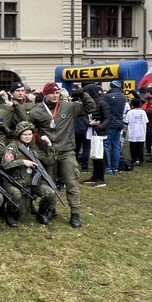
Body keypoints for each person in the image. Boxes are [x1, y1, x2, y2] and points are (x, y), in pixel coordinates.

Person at [28, 82, 96, 228]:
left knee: (71, 183)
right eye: (52, 93)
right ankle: (50, 210)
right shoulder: (36, 111)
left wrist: (83, 94)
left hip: (67, 151)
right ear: (45, 95)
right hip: (48, 153)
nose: (55, 95)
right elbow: (29, 131)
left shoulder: (68, 107)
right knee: (49, 184)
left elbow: (91, 107)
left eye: (57, 93)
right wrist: (40, 141)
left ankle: (75, 213)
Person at [0, 121, 58, 224]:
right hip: (16, 183)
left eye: (30, 134)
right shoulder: (12, 147)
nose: (28, 137)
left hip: (31, 183)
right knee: (23, 217)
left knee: (51, 193)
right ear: (19, 135)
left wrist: (49, 145)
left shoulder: (32, 148)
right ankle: (10, 213)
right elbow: (5, 164)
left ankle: (41, 214)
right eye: (25, 134)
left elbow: (49, 160)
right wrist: (22, 162)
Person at [81, 84, 110, 188]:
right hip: (90, 131)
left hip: (99, 133)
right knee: (94, 155)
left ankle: (100, 178)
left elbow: (107, 118)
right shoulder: (87, 104)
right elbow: (83, 116)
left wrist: (99, 127)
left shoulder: (102, 103)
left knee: (99, 155)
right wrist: (89, 123)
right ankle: (95, 176)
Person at [104, 81, 127, 174]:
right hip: (119, 123)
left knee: (106, 144)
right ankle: (115, 167)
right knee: (116, 145)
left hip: (110, 123)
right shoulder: (123, 97)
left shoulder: (108, 97)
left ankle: (107, 166)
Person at [124, 98, 148, 166]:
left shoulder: (130, 112)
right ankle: (140, 159)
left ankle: (134, 159)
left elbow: (126, 122)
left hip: (133, 132)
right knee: (140, 147)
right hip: (141, 131)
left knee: (133, 147)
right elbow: (146, 121)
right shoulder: (143, 112)